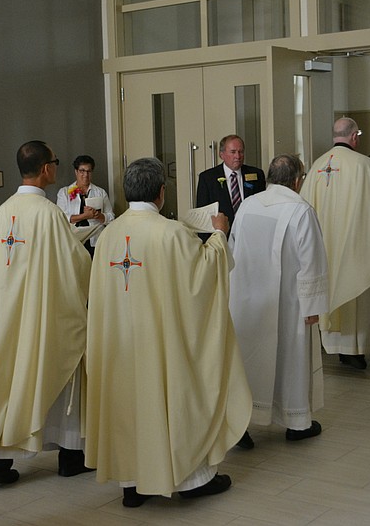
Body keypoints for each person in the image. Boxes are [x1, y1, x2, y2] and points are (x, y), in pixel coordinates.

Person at [85, 157, 252, 508]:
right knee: (173, 394)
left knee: (127, 401)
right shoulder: (171, 232)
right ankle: (190, 479)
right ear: (161, 192)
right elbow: (201, 280)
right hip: (160, 342)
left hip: (119, 342)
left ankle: (132, 484)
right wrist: (219, 233)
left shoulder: (109, 236)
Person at [0, 140, 92, 485]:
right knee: (61, 370)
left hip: (4, 315)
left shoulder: (3, 211)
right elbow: (72, 264)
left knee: (4, 380)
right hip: (39, 315)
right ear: (47, 168)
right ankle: (70, 456)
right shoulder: (48, 214)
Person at [229, 154, 328, 442]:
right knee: (291, 358)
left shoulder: (248, 205)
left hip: (246, 300)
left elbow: (232, 249)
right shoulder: (301, 210)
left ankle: (241, 424)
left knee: (247, 358)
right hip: (287, 304)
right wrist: (313, 307)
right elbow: (312, 262)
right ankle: (296, 422)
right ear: (298, 181)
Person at [300, 117, 370, 370]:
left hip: (323, 248)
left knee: (329, 289)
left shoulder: (318, 166)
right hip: (355, 246)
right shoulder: (365, 166)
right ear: (354, 137)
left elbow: (303, 210)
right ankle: (354, 350)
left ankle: (332, 344)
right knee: (356, 290)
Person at [195, 134, 266, 230]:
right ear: (221, 155)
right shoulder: (208, 178)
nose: (238, 156)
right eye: (233, 152)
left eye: (240, 152)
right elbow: (202, 215)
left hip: (250, 232)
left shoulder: (256, 174)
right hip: (222, 236)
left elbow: (263, 208)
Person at [56, 154, 114, 255]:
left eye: (89, 171)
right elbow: (62, 218)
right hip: (73, 240)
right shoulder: (64, 192)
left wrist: (99, 216)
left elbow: (111, 218)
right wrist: (85, 216)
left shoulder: (100, 192)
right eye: (82, 171)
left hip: (95, 241)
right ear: (76, 171)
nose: (85, 175)